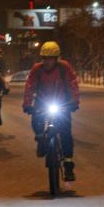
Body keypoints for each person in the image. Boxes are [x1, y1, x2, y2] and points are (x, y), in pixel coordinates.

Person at [23, 41, 80, 182]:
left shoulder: (64, 68)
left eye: (51, 58)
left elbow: (73, 84)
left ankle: (68, 165)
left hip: (62, 102)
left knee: (66, 133)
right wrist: (27, 104)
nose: (47, 62)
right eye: (45, 58)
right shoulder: (37, 69)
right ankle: (41, 139)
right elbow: (29, 86)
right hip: (42, 102)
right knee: (36, 121)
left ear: (56, 58)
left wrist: (74, 102)